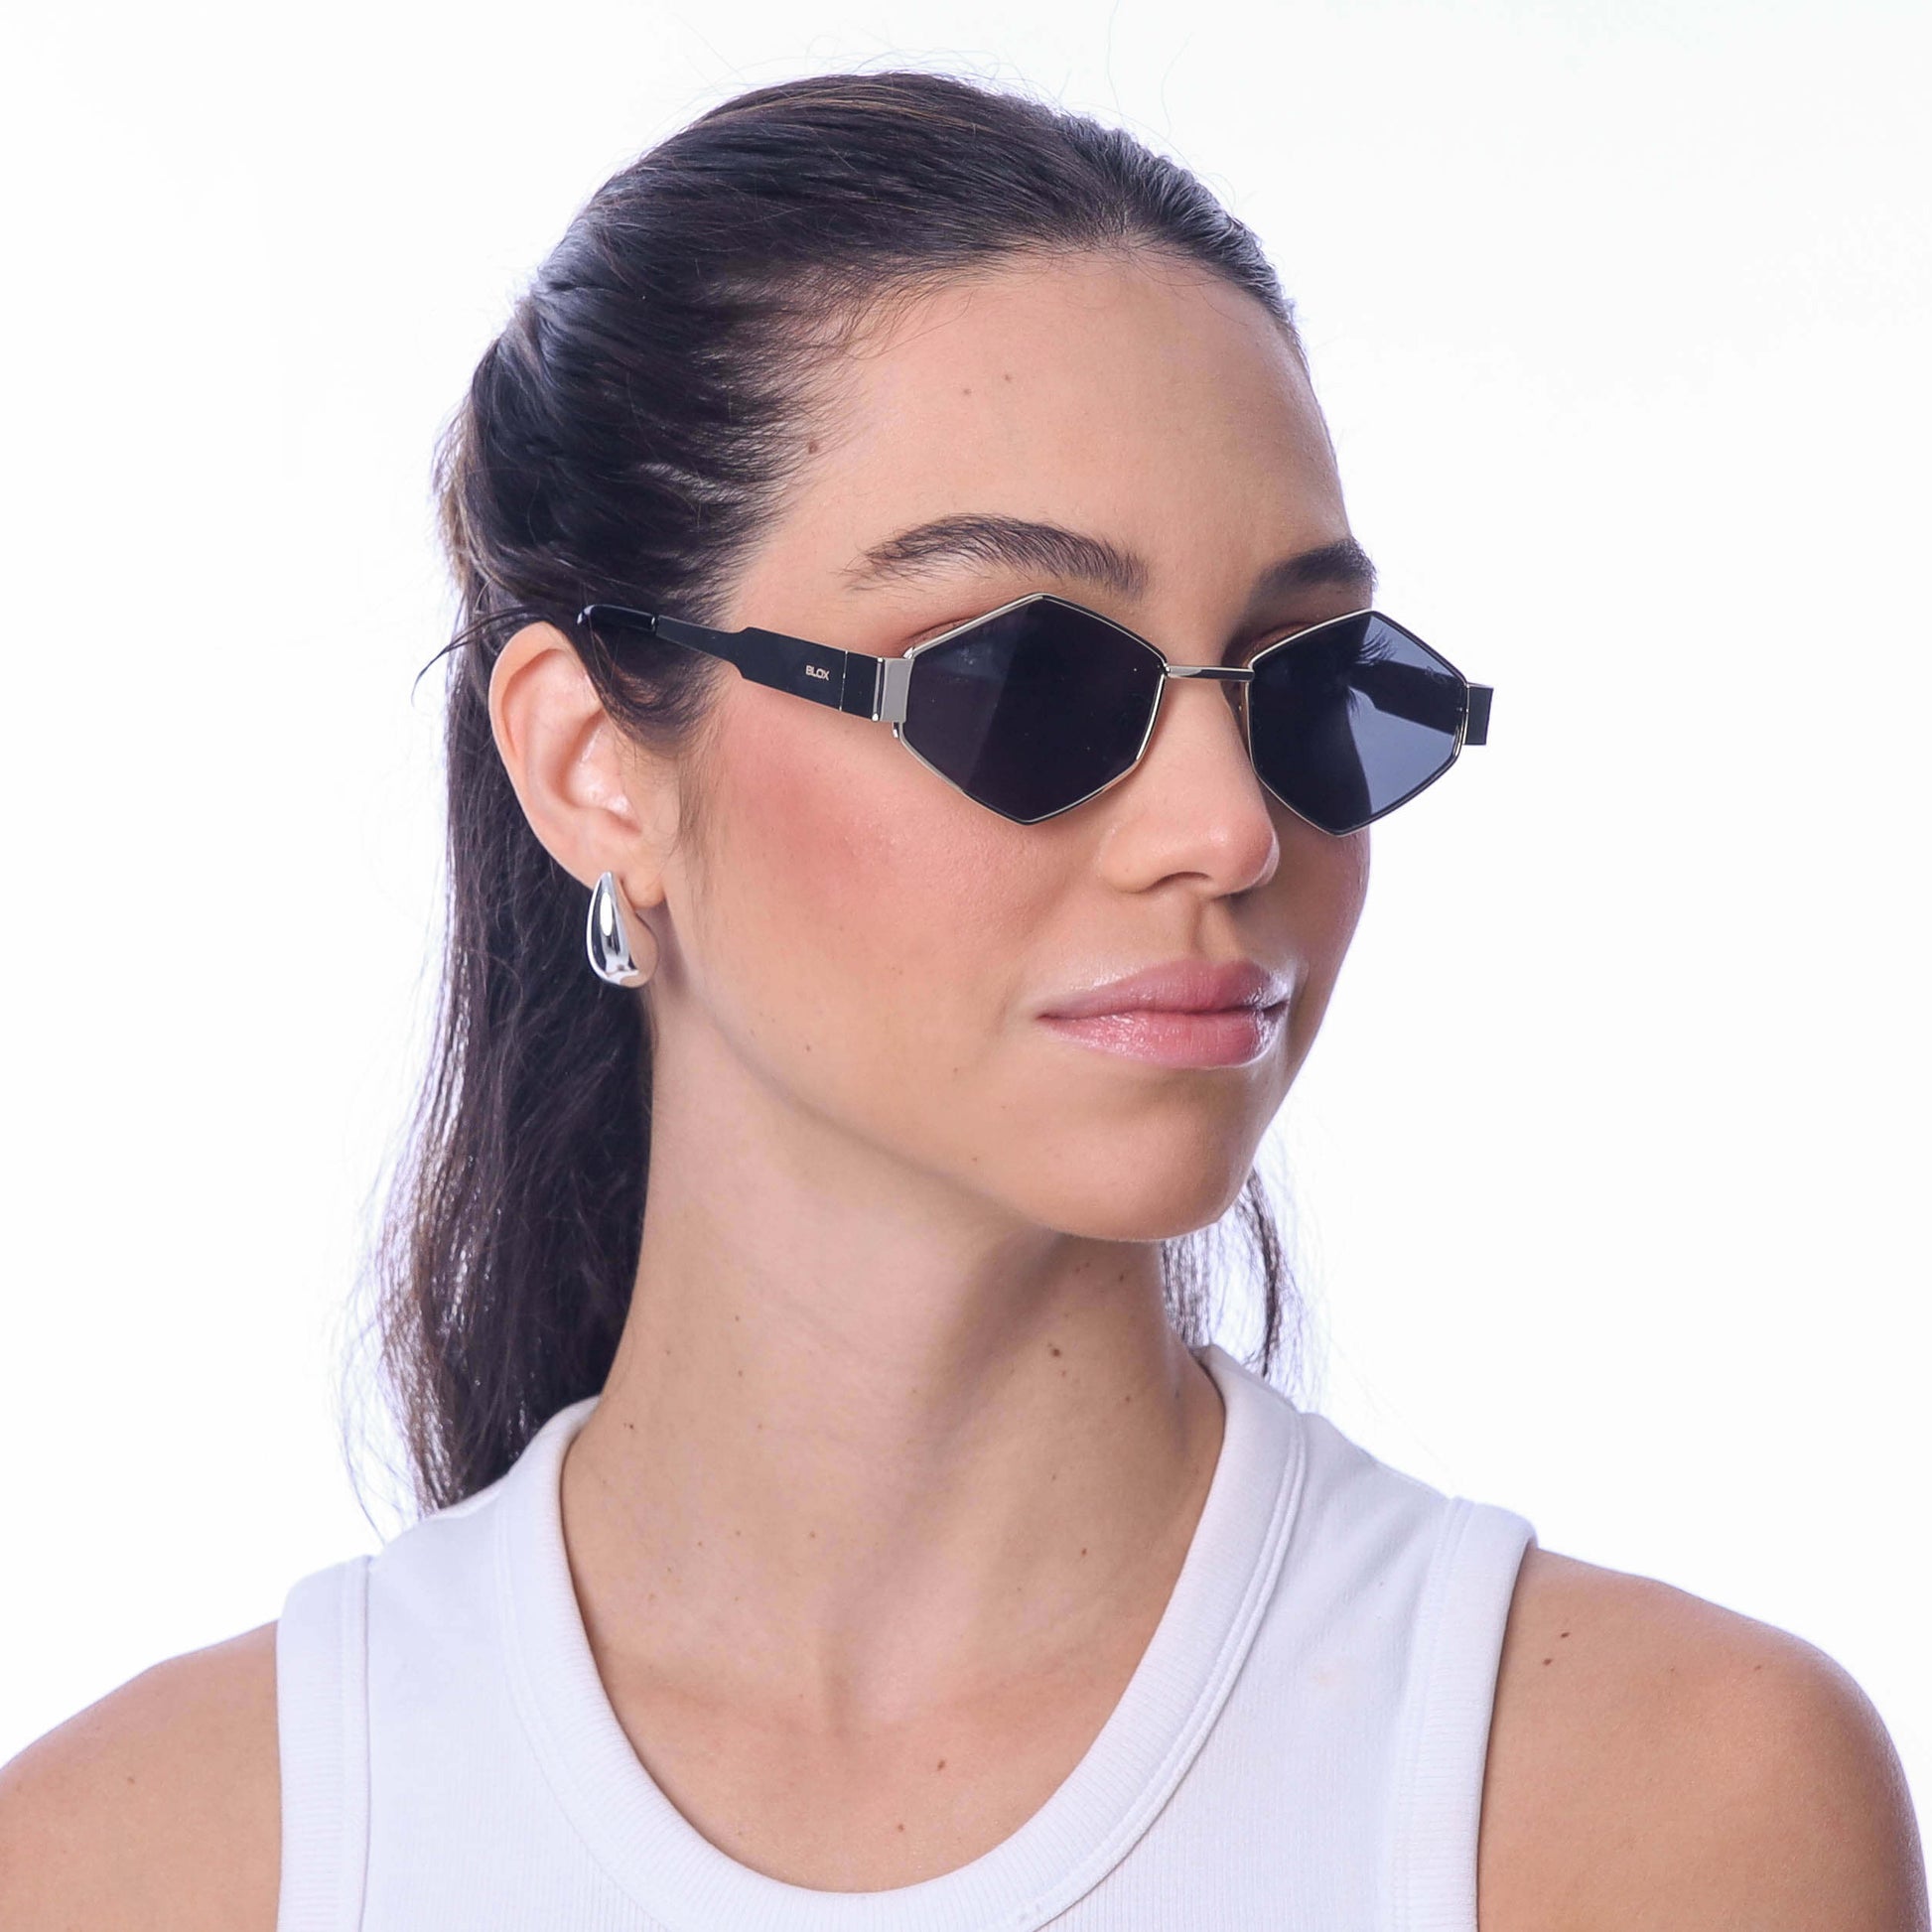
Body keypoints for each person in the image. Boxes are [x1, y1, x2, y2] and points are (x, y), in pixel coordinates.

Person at [2, 67, 1923, 1932]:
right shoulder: (134, 1869)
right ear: (594, 766)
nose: (1226, 825)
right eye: (1023, 682)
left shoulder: (1665, 1810)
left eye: (1311, 683)